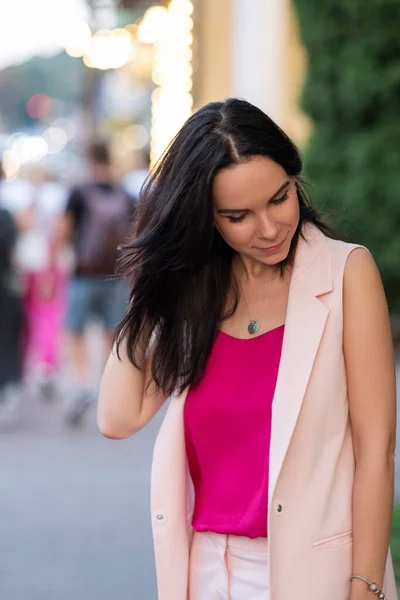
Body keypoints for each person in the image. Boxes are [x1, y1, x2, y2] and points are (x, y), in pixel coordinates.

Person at [97, 99, 397, 600]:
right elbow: (117, 417)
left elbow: (376, 450)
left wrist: (364, 587)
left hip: (317, 572)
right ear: (205, 218)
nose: (269, 227)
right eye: (238, 216)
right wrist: (156, 276)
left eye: (279, 198)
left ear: (294, 179)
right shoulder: (194, 295)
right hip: (206, 571)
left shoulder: (346, 274)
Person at [63, 141, 134, 426]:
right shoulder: (125, 195)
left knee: (74, 331)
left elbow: (64, 228)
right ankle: (108, 384)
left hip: (84, 272)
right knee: (111, 332)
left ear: (91, 161)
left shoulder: (79, 193)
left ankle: (82, 382)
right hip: (115, 274)